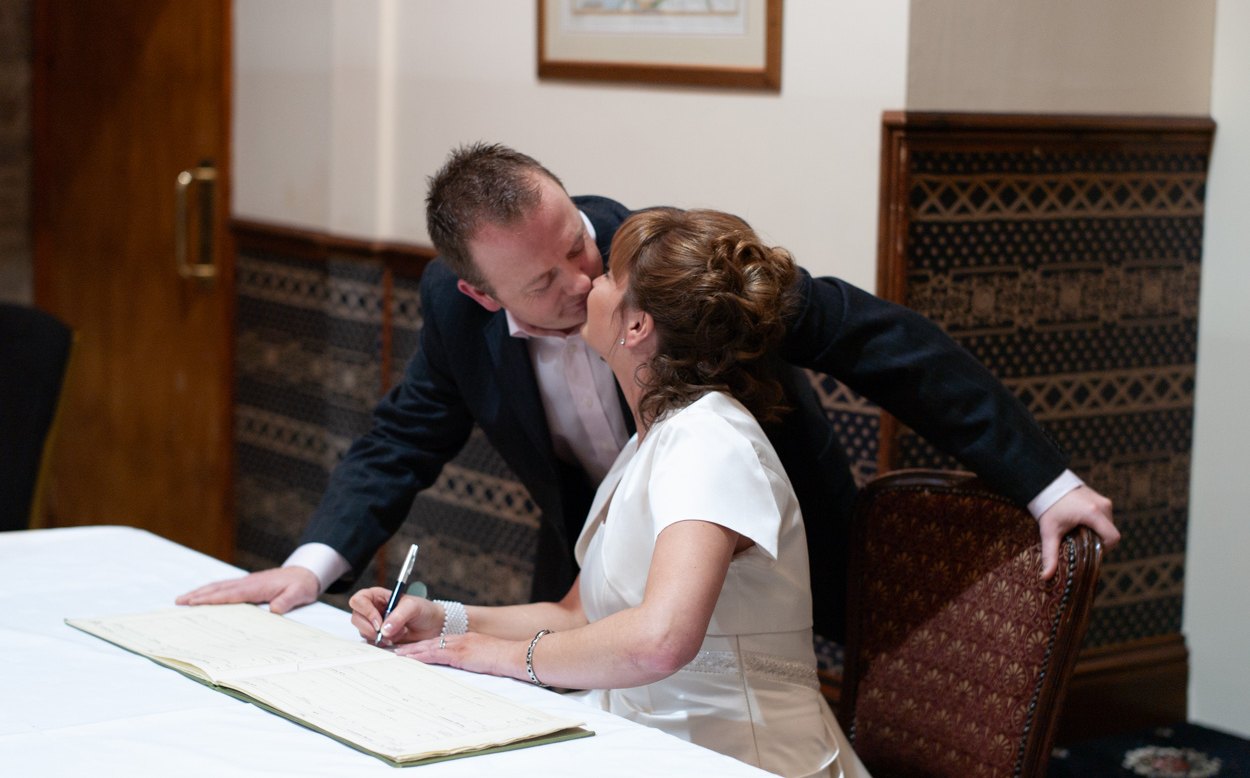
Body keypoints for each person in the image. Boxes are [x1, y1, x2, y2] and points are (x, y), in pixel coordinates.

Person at [177, 143, 1119, 642]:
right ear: (478, 290)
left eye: (577, 241)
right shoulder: (454, 312)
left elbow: (886, 342)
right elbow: (402, 438)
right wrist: (312, 566)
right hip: (596, 570)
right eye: (542, 282)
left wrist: (1047, 484)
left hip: (775, 553)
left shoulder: (664, 271)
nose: (585, 282)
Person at [350, 207, 867, 777]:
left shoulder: (710, 439)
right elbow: (576, 616)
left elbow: (661, 641)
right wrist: (445, 620)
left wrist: (503, 659)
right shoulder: (651, 441)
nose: (587, 283)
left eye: (607, 278)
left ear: (638, 325)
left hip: (736, 758)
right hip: (644, 742)